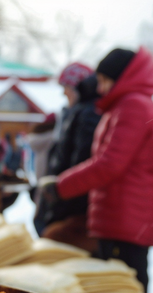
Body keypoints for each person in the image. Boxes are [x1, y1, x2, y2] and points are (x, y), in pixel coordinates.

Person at [47, 47, 153, 291]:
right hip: (119, 215)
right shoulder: (124, 105)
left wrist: (61, 186)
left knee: (125, 292)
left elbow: (110, 164)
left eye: (103, 81)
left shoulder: (134, 106)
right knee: (117, 290)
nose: (99, 89)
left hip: (126, 216)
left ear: (119, 77)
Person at [39, 74, 101, 253]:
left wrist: (60, 194)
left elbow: (79, 162)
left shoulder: (87, 114)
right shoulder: (78, 112)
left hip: (73, 203)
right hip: (68, 197)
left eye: (67, 89)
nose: (64, 94)